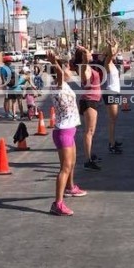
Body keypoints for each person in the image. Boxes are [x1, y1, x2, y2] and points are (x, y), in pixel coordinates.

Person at [47, 50, 86, 216]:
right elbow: (59, 73)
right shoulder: (58, 84)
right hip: (63, 132)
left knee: (72, 163)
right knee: (65, 167)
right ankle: (58, 203)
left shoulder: (64, 85)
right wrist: (55, 62)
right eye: (68, 68)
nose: (71, 70)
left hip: (69, 129)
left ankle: (70, 187)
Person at [76, 46, 102, 171]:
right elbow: (85, 61)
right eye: (87, 53)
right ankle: (88, 161)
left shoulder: (88, 67)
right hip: (88, 101)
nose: (91, 53)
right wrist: (84, 52)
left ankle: (90, 154)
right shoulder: (83, 67)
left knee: (91, 131)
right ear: (83, 57)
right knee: (89, 131)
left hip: (92, 101)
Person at [101, 38, 123, 154]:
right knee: (112, 120)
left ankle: (113, 141)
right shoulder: (107, 63)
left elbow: (112, 53)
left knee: (114, 120)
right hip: (111, 93)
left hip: (114, 92)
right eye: (113, 52)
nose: (115, 53)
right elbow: (110, 54)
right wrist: (112, 46)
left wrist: (116, 45)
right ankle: (111, 144)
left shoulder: (112, 64)